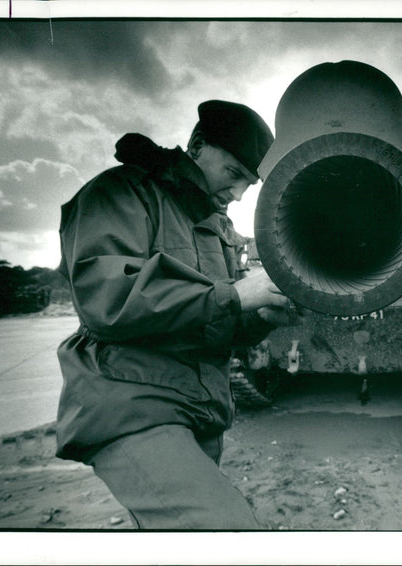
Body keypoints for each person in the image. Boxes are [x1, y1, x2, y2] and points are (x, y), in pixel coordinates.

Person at [55, 100, 292, 529]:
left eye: (249, 184)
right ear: (198, 145)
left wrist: (260, 316)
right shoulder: (122, 192)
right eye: (234, 174)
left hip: (197, 410)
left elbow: (213, 318)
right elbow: (106, 300)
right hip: (130, 404)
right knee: (228, 534)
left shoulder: (215, 226)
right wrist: (236, 295)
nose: (238, 193)